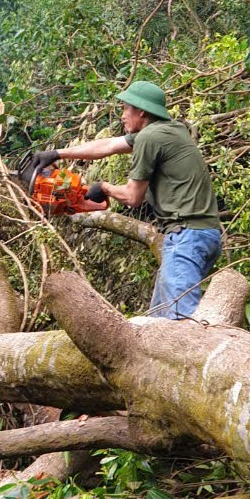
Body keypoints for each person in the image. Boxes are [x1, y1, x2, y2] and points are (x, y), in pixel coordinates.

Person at [32, 80, 222, 320]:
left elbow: (133, 197)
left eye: (125, 109)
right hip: (202, 234)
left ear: (141, 111)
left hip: (187, 236)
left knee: (181, 320)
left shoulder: (149, 138)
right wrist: (58, 153)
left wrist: (104, 187)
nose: (122, 116)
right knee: (157, 321)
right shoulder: (169, 130)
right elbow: (109, 145)